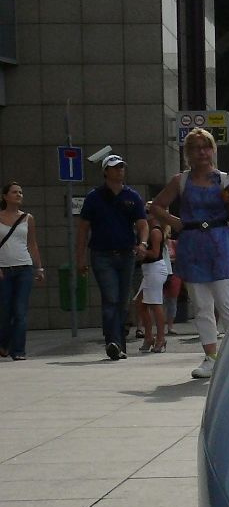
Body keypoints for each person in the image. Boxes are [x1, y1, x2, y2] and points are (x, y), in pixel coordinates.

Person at [149, 128, 229, 380]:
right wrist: (175, 221)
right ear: (187, 153)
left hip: (220, 242)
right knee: (201, 306)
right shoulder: (180, 181)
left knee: (228, 303)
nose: (202, 152)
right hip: (193, 244)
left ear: (213, 150)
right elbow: (155, 205)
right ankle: (210, 357)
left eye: (206, 146)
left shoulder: (225, 180)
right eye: (195, 148)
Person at [75, 155, 149, 361]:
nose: (119, 171)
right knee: (111, 298)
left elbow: (143, 224)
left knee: (123, 301)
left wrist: (143, 243)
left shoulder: (131, 196)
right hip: (101, 255)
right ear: (105, 172)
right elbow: (83, 229)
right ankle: (112, 341)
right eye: (114, 168)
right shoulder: (94, 197)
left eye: (121, 167)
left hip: (126, 255)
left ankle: (119, 344)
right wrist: (80, 259)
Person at [0, 182, 47, 361]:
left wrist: (39, 267)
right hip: (4, 269)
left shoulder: (28, 218)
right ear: (5, 196)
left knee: (20, 311)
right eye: (14, 192)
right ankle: (4, 344)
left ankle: (18, 350)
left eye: (20, 192)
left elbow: (32, 244)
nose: (19, 194)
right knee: (5, 312)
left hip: (24, 269)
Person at [137, 216, 171, 353]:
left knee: (156, 304)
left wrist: (140, 250)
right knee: (140, 304)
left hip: (155, 269)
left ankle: (161, 338)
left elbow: (155, 253)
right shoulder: (147, 231)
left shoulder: (155, 232)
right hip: (148, 270)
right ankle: (149, 336)